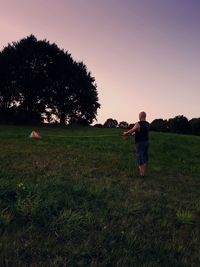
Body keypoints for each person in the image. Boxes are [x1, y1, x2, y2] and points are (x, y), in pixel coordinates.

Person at [122, 111, 150, 177]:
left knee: (139, 157)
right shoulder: (148, 124)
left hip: (140, 143)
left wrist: (125, 133)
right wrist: (132, 134)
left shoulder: (138, 123)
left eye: (139, 115)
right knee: (144, 157)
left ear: (140, 116)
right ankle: (143, 172)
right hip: (147, 142)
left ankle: (142, 175)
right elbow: (139, 131)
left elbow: (132, 130)